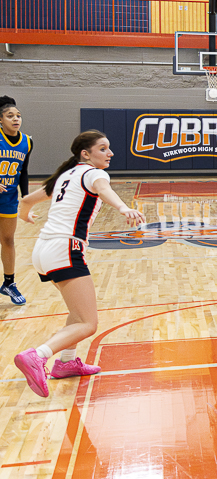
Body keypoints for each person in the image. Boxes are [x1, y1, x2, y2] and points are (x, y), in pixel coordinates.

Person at [12, 131, 145, 397]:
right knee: (88, 323)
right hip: (64, 248)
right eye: (103, 148)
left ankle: (67, 363)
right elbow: (104, 189)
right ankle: (38, 355)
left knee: (78, 312)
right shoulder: (94, 174)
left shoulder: (65, 175)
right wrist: (123, 208)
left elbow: (25, 201)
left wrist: (25, 216)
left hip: (43, 250)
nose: (110, 153)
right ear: (86, 154)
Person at [0, 97, 31, 305]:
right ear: (0, 120)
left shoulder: (27, 141)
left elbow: (24, 172)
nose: (16, 119)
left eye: (18, 115)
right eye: (10, 116)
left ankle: (9, 284)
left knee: (8, 240)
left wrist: (26, 198)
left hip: (9, 198)